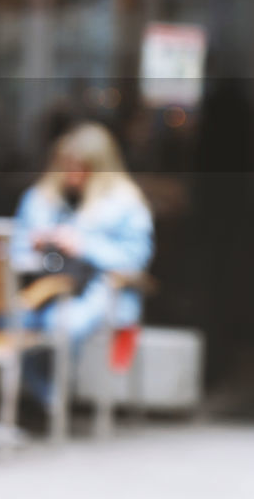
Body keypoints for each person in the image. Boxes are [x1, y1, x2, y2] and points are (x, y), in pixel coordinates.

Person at [11, 121, 154, 405]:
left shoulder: (125, 202)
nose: (72, 173)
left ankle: (52, 401)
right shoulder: (40, 198)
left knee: (62, 322)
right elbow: (14, 249)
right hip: (41, 286)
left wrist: (84, 246)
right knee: (10, 321)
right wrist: (36, 244)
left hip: (99, 289)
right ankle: (42, 399)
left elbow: (136, 260)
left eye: (81, 166)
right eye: (67, 164)